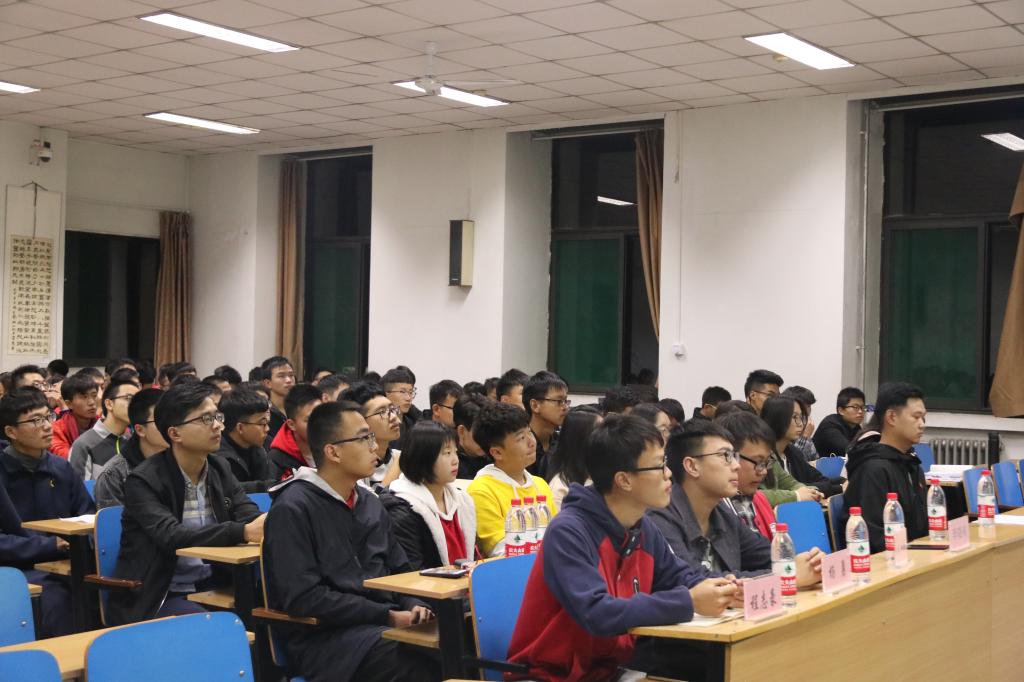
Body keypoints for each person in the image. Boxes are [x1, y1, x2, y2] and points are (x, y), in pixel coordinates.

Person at [506, 414, 738, 681]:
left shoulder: (643, 526)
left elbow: (680, 577)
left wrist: (724, 590)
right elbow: (597, 612)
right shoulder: (568, 531)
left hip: (607, 671)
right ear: (624, 480)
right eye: (659, 466)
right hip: (547, 676)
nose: (669, 474)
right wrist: (689, 601)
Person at [263, 401, 439, 682]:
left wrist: (413, 605)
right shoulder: (293, 508)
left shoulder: (369, 502)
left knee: (460, 639)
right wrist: (387, 616)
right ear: (332, 452)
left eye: (372, 437)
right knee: (415, 660)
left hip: (382, 624)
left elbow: (401, 571)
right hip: (328, 639)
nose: (374, 447)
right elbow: (304, 597)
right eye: (363, 438)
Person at [106, 382, 264, 625]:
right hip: (161, 592)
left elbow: (246, 511)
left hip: (214, 583)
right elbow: (172, 536)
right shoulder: (143, 480)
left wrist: (263, 522)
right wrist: (241, 531)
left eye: (217, 416)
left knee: (272, 610)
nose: (218, 425)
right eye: (205, 419)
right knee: (215, 627)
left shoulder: (219, 467)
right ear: (175, 434)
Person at [650, 420, 823, 583]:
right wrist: (786, 574)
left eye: (734, 456)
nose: (736, 465)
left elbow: (769, 556)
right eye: (726, 456)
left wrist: (809, 563)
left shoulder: (722, 513)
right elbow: (695, 582)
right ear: (692, 466)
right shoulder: (660, 518)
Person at [0, 388, 94, 636]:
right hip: (18, 568)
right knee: (57, 599)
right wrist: (51, 544)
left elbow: (87, 514)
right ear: (11, 432)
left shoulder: (61, 468)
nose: (46, 426)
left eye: (48, 417)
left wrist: (77, 542)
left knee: (109, 589)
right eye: (35, 420)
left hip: (68, 562)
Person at [843, 382, 929, 553]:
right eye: (916, 417)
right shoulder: (872, 469)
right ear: (891, 417)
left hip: (914, 553)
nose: (922, 424)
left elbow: (922, 526)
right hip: (886, 561)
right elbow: (874, 539)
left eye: (923, 418)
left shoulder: (912, 464)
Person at [380, 422, 477, 570]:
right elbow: (412, 571)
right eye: (447, 453)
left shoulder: (461, 499)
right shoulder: (402, 509)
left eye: (455, 452)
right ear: (423, 458)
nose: (455, 460)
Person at [466, 402, 557, 557]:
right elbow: (500, 550)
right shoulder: (481, 491)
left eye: (530, 432)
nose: (532, 442)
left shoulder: (540, 484)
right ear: (497, 452)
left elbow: (556, 535)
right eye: (521, 438)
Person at [94, 388, 167, 509]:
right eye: (160, 421)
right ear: (140, 430)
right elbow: (113, 520)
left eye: (173, 419)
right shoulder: (114, 475)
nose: (171, 426)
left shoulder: (181, 462)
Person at [761, 396, 843, 497]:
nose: (800, 424)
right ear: (777, 418)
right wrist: (839, 487)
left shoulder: (793, 452)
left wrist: (841, 483)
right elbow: (783, 490)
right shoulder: (764, 456)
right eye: (795, 417)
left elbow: (821, 479)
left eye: (801, 417)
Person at [717, 412, 778, 539]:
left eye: (766, 462)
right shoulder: (715, 509)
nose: (764, 471)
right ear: (729, 457)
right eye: (758, 462)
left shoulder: (759, 499)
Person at [69, 378, 139, 481]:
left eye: (138, 401)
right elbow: (79, 488)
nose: (136, 405)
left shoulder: (133, 441)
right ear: (109, 404)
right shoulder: (84, 445)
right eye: (129, 398)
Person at [341, 382, 402, 487]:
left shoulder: (401, 457)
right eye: (382, 412)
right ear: (359, 420)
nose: (393, 417)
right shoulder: (352, 468)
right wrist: (397, 468)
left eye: (392, 409)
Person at [214, 387, 275, 492]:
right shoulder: (218, 457)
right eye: (262, 423)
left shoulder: (261, 446)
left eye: (267, 423)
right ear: (240, 428)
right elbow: (227, 490)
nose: (267, 429)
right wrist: (263, 486)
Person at [545, 406, 602, 510]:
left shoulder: (605, 475)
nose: (607, 436)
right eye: (600, 432)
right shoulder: (560, 487)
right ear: (581, 439)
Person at [267, 383, 323, 482]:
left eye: (322, 416)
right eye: (310, 420)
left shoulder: (335, 447)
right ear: (291, 424)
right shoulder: (277, 459)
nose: (319, 424)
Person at [522, 371, 569, 477]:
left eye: (565, 401)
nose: (565, 407)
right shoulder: (520, 446)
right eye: (559, 401)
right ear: (535, 405)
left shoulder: (562, 442)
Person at [51, 373, 101, 458]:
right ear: (69, 404)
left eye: (94, 396)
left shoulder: (103, 424)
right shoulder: (56, 429)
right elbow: (66, 456)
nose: (92, 402)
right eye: (84, 397)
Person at [813, 387, 867, 457]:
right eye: (855, 407)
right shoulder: (830, 424)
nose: (860, 411)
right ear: (841, 410)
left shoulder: (857, 428)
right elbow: (848, 450)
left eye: (862, 407)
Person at [382, 366, 422, 453]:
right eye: (402, 392)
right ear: (387, 393)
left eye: (411, 392)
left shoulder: (414, 426)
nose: (408, 398)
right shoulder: (380, 425)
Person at [261, 356, 296, 448]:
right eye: (281, 376)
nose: (289, 380)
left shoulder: (297, 408)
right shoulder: (264, 412)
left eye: (291, 375)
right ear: (267, 383)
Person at [453, 393, 489, 479]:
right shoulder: (450, 466)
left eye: (489, 430)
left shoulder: (496, 457)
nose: (487, 439)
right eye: (480, 432)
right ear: (461, 431)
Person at [782, 385, 819, 461]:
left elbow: (814, 458)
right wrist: (804, 437)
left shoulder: (805, 426)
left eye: (809, 406)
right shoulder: (782, 431)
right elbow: (791, 462)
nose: (808, 410)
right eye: (795, 417)